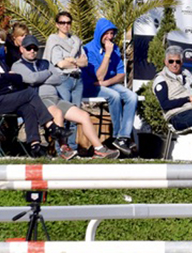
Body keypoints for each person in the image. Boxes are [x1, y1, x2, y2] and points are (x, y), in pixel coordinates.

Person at [11, 35, 119, 160]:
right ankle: (63, 149)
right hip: (39, 100)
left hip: (56, 98)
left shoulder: (44, 63)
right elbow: (32, 79)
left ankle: (99, 149)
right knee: (57, 113)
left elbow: (57, 78)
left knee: (84, 116)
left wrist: (40, 78)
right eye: (28, 48)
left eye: (34, 48)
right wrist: (46, 74)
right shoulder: (18, 65)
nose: (32, 51)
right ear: (21, 49)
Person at [0, 29, 66, 158]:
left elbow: (18, 79)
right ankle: (51, 126)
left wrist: (3, 77)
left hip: (3, 98)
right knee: (30, 93)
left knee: (28, 107)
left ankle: (35, 145)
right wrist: (7, 77)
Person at [83, 18, 138, 156]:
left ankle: (123, 137)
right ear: (99, 33)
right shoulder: (89, 49)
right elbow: (98, 77)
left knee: (132, 96)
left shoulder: (115, 49)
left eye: (112, 33)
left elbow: (121, 75)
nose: (109, 37)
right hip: (91, 86)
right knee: (114, 96)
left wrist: (107, 83)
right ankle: (117, 134)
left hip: (108, 84)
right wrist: (107, 54)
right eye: (106, 33)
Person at [43, 10, 87, 107]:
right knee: (65, 111)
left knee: (76, 113)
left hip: (78, 79)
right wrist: (76, 62)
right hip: (63, 79)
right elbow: (60, 64)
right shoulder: (53, 40)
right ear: (57, 25)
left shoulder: (76, 41)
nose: (65, 25)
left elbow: (84, 62)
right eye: (62, 23)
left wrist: (72, 60)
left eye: (68, 22)